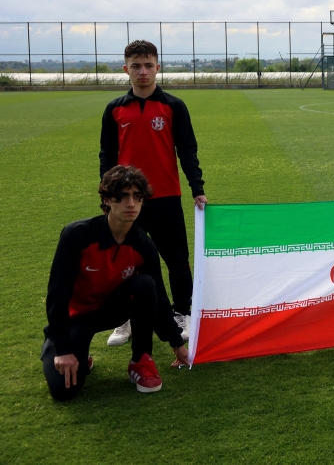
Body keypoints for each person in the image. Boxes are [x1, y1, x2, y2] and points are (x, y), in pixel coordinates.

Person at [41, 166, 189, 400]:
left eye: (137, 197)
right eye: (123, 196)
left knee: (145, 284)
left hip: (110, 311)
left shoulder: (143, 244)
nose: (131, 203)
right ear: (108, 200)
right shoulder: (77, 235)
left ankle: (141, 360)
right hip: (74, 318)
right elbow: (57, 293)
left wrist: (176, 342)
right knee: (64, 391)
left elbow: (158, 296)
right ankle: (80, 357)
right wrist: (63, 349)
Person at [100, 40, 206, 347]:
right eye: (136, 66)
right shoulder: (115, 109)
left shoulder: (173, 106)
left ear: (157, 67)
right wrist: (110, 195)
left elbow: (187, 151)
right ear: (126, 70)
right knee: (122, 260)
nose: (142, 71)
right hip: (126, 201)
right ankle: (124, 318)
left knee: (176, 260)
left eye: (148, 65)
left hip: (166, 197)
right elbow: (107, 154)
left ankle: (181, 313)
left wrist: (197, 189)